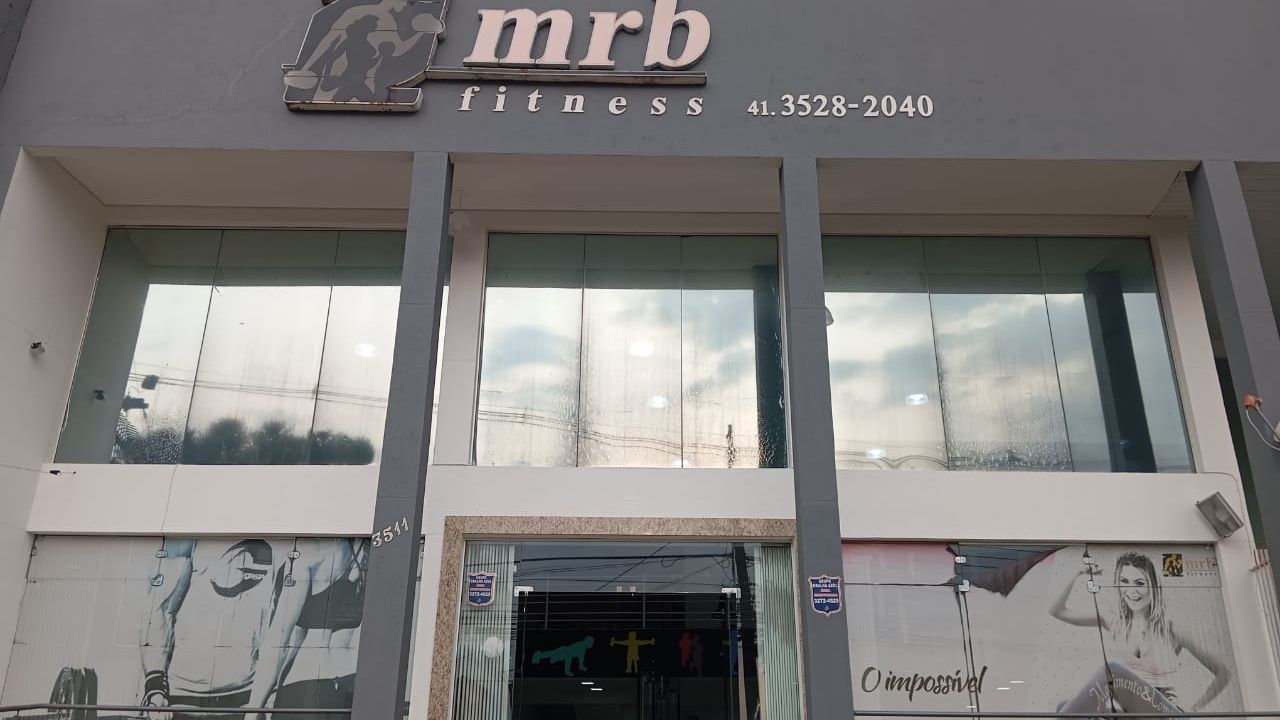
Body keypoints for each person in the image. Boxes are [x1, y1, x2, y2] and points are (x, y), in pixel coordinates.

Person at [1050, 552, 1231, 713]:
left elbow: (1223, 672)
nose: (1131, 590)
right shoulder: (1115, 622)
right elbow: (1057, 611)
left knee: (1113, 670)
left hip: (1164, 711)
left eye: (1139, 583)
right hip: (1132, 713)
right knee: (1065, 706)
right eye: (1124, 582)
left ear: (1153, 586)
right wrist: (1078, 574)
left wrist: (1194, 709)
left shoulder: (1170, 626)